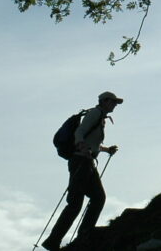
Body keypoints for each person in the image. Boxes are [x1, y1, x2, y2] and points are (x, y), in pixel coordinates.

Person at [41, 91, 122, 250]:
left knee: (96, 197)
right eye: (113, 102)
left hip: (86, 161)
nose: (115, 105)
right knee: (77, 203)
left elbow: (91, 141)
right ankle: (54, 240)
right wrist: (81, 146)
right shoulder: (95, 114)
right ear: (104, 101)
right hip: (80, 161)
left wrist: (106, 150)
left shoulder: (100, 117)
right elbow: (80, 133)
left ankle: (83, 233)